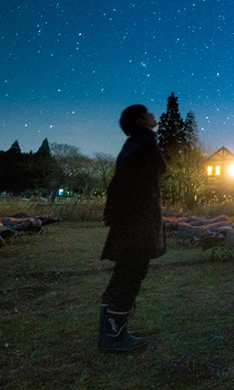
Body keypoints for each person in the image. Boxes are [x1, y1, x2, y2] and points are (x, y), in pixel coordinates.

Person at [98, 104, 167, 352]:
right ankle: (113, 335)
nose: (153, 115)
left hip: (128, 223)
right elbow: (154, 174)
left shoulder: (132, 146)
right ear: (139, 121)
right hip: (137, 223)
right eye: (148, 113)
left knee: (123, 274)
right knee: (131, 274)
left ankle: (110, 331)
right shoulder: (144, 144)